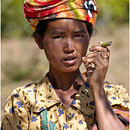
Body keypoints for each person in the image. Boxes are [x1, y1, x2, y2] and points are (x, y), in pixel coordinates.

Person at [2, 0, 129, 130]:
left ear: (89, 37)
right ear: (39, 40)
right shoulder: (23, 100)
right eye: (58, 37)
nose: (69, 47)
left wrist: (97, 89)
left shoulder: (112, 94)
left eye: (78, 35)